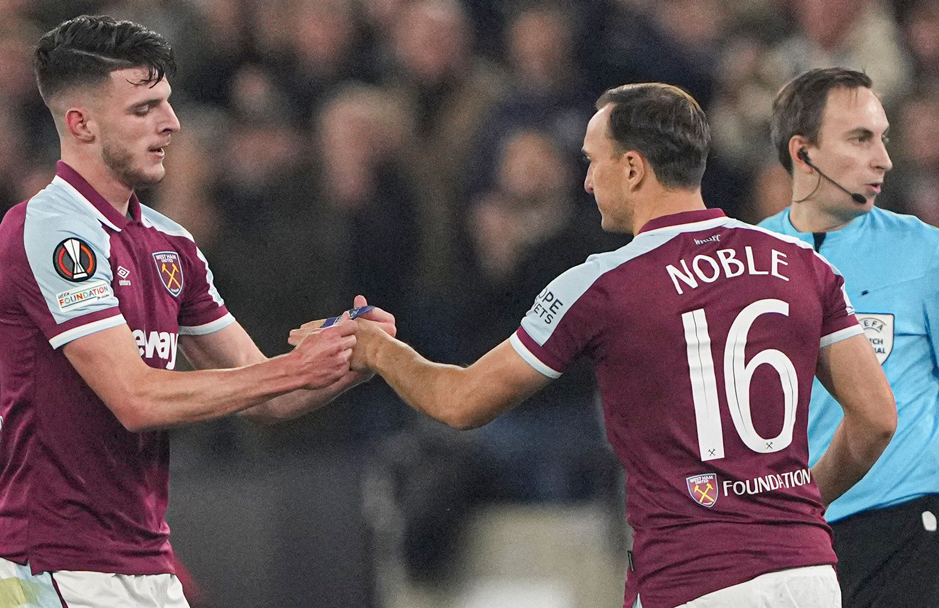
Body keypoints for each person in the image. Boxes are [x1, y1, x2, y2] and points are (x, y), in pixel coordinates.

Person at [299, 83, 898, 608]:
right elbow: (874, 419)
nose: (586, 179)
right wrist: (794, 501)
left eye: (594, 160)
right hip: (808, 574)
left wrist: (376, 348)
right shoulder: (800, 262)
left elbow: (462, 402)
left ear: (633, 168)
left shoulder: (603, 283)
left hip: (694, 581)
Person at [0, 15, 393, 608]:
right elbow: (136, 398)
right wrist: (295, 367)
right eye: (144, 109)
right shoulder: (47, 229)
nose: (171, 124)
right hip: (56, 558)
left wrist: (357, 355)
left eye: (166, 104)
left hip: (145, 558)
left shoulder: (172, 246)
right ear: (81, 123)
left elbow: (270, 399)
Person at [760, 67, 939, 608]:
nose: (882, 157)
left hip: (908, 532)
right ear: (803, 152)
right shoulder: (745, 261)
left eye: (882, 137)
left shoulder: (925, 254)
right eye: (860, 138)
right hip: (790, 545)